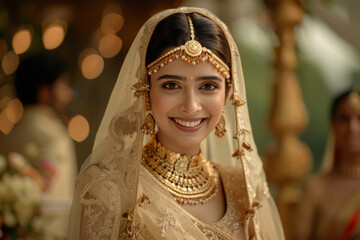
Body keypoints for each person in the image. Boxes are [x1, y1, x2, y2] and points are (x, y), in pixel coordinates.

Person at [68, 7, 285, 240]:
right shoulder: (110, 188)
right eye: (171, 85)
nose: (191, 106)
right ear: (146, 90)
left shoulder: (244, 189)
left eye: (208, 86)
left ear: (228, 92)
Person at [0, 53, 78, 239]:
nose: (69, 95)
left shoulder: (9, 133)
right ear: (44, 92)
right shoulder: (55, 135)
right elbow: (58, 214)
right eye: (64, 85)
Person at [294, 86, 360, 240]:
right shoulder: (315, 187)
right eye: (344, 118)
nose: (352, 127)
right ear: (333, 125)